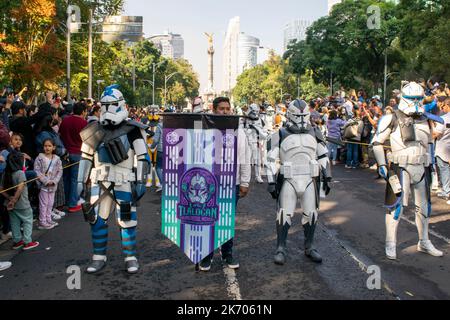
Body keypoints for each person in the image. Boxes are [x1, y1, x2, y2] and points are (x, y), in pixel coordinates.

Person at [77, 85, 150, 274]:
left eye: (113, 105)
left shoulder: (133, 129)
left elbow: (143, 157)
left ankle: (130, 257)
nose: (108, 109)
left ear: (121, 105)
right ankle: (98, 257)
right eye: (105, 105)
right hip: (100, 180)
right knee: (97, 220)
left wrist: (141, 182)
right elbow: (85, 157)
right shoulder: (94, 129)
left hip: (124, 180)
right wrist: (79, 182)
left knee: (127, 220)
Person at [372, 81, 443, 260]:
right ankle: (390, 243)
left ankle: (424, 241)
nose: (416, 101)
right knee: (396, 207)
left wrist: (432, 164)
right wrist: (381, 164)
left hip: (422, 166)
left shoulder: (426, 118)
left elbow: (429, 144)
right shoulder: (392, 117)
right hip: (400, 167)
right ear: (404, 98)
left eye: (419, 98)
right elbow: (377, 143)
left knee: (424, 207)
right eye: (413, 98)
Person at [266, 99, 331, 265]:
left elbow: (323, 155)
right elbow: (271, 158)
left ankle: (310, 246)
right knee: (284, 214)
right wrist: (271, 181)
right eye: (298, 115)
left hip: (310, 179)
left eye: (304, 115)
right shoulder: (279, 134)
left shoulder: (315, 131)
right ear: (290, 115)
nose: (301, 119)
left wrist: (327, 177)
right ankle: (281, 247)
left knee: (311, 214)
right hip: (289, 179)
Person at [198, 96, 251, 271]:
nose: (225, 111)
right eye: (221, 108)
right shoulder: (205, 131)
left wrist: (244, 181)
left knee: (226, 221)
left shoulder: (239, 131)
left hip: (232, 184)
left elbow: (245, 158)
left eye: (228, 108)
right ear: (214, 110)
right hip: (209, 184)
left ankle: (227, 254)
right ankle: (206, 255)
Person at [2, 150, 39, 251]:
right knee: (27, 220)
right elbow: (20, 188)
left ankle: (17, 241)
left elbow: (1, 189)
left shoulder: (6, 173)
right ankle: (28, 241)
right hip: (22, 203)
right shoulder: (20, 173)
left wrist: (9, 198)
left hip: (9, 204)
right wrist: (14, 200)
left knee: (14, 222)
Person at [59, 102, 88, 212]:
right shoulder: (84, 123)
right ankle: (73, 203)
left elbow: (60, 135)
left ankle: (65, 201)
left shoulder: (65, 121)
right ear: (83, 111)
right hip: (78, 153)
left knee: (66, 178)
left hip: (65, 153)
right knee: (75, 179)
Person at [34, 138, 63, 230]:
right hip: (44, 186)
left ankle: (48, 219)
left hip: (53, 185)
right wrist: (45, 181)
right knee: (43, 203)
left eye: (49, 146)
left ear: (53, 147)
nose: (47, 148)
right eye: (45, 146)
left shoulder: (57, 159)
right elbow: (37, 171)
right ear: (43, 147)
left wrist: (54, 181)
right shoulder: (39, 158)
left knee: (50, 203)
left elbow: (60, 171)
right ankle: (42, 221)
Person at [243, 103, 268, 184]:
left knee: (257, 161)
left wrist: (258, 134)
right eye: (254, 111)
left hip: (256, 142)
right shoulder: (245, 119)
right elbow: (241, 131)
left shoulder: (260, 120)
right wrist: (248, 130)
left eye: (257, 111)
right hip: (247, 143)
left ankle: (258, 176)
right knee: (246, 162)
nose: (255, 113)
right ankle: (246, 178)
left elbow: (263, 131)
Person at [433, 97, 450, 201]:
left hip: (442, 147)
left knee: (443, 169)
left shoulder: (443, 119)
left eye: (443, 106)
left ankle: (446, 191)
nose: (442, 108)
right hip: (448, 146)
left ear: (447, 105)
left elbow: (436, 134)